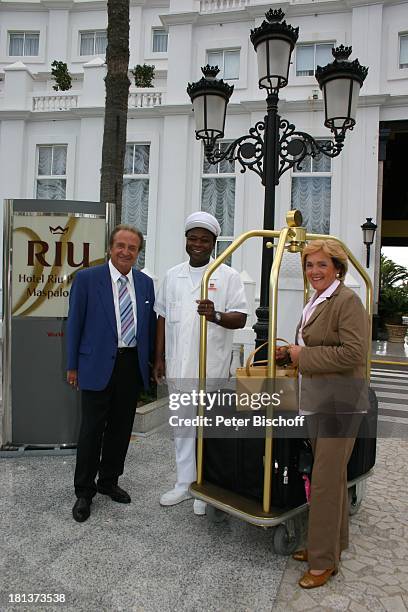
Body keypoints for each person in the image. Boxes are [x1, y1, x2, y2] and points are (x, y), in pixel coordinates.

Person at [277, 239, 369, 588]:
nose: (314, 271)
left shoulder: (347, 300)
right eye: (309, 265)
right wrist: (293, 354)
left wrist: (304, 356)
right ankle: (330, 546)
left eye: (321, 265)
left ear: (338, 268)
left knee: (326, 481)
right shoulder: (316, 299)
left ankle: (322, 562)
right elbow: (316, 345)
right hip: (318, 400)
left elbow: (352, 354)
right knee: (329, 479)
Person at [153, 211, 248, 515]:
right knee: (182, 428)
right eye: (192, 238)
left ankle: (205, 488)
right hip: (178, 366)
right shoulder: (173, 275)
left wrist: (216, 315)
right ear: (186, 241)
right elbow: (162, 317)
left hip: (211, 369)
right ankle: (184, 483)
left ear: (213, 243)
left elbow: (241, 317)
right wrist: (159, 359)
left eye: (204, 240)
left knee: (207, 429)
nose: (197, 244)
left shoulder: (228, 276)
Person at [67, 224, 156, 523]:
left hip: (130, 365)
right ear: (110, 247)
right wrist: (72, 366)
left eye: (132, 248)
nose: (126, 252)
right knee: (92, 429)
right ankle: (84, 492)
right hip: (95, 364)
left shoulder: (145, 284)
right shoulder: (88, 279)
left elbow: (150, 326)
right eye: (121, 245)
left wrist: (154, 362)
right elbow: (74, 324)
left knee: (121, 427)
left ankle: (108, 480)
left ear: (138, 252)